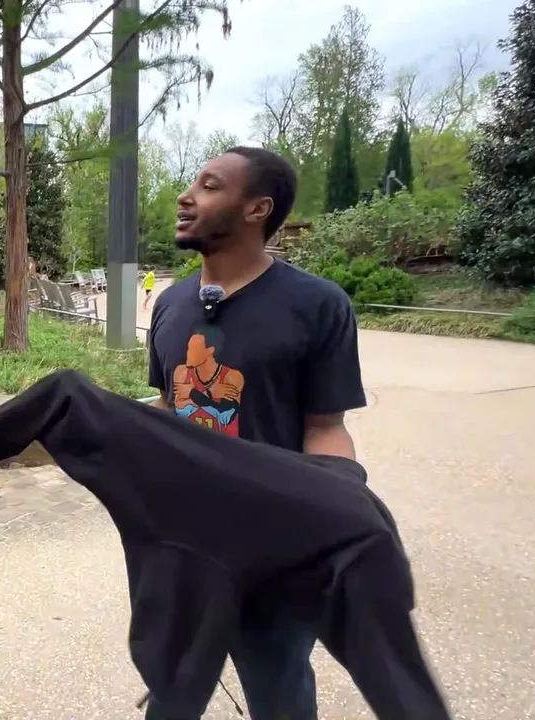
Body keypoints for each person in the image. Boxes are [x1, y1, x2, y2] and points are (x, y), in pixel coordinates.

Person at [144, 146, 367, 720]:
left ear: (256, 208)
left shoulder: (318, 306)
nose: (186, 196)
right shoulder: (170, 305)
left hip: (276, 550)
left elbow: (326, 428)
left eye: (210, 185)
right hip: (184, 546)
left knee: (278, 688)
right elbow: (170, 406)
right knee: (171, 687)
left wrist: (341, 506)